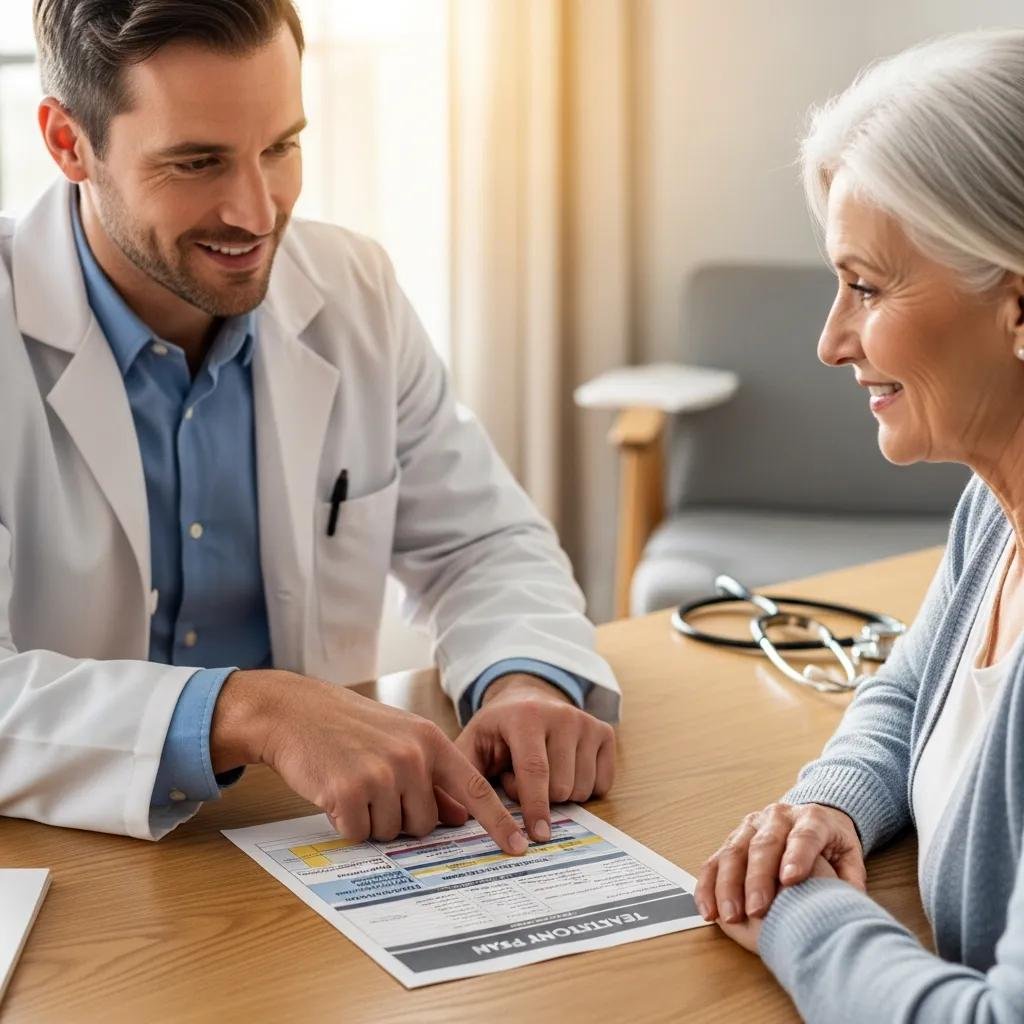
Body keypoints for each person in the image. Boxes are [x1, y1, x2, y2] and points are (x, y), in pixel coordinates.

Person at [0, 0, 619, 849]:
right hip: (72, 866)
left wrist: (524, 682)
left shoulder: (352, 286)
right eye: (196, 162)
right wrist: (251, 708)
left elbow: (481, 542)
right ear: (69, 142)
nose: (257, 213)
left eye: (281, 147)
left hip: (325, 840)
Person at [694, 29, 1024, 1021]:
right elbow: (914, 681)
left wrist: (800, 907)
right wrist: (821, 805)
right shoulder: (994, 510)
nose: (831, 339)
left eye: (868, 287)